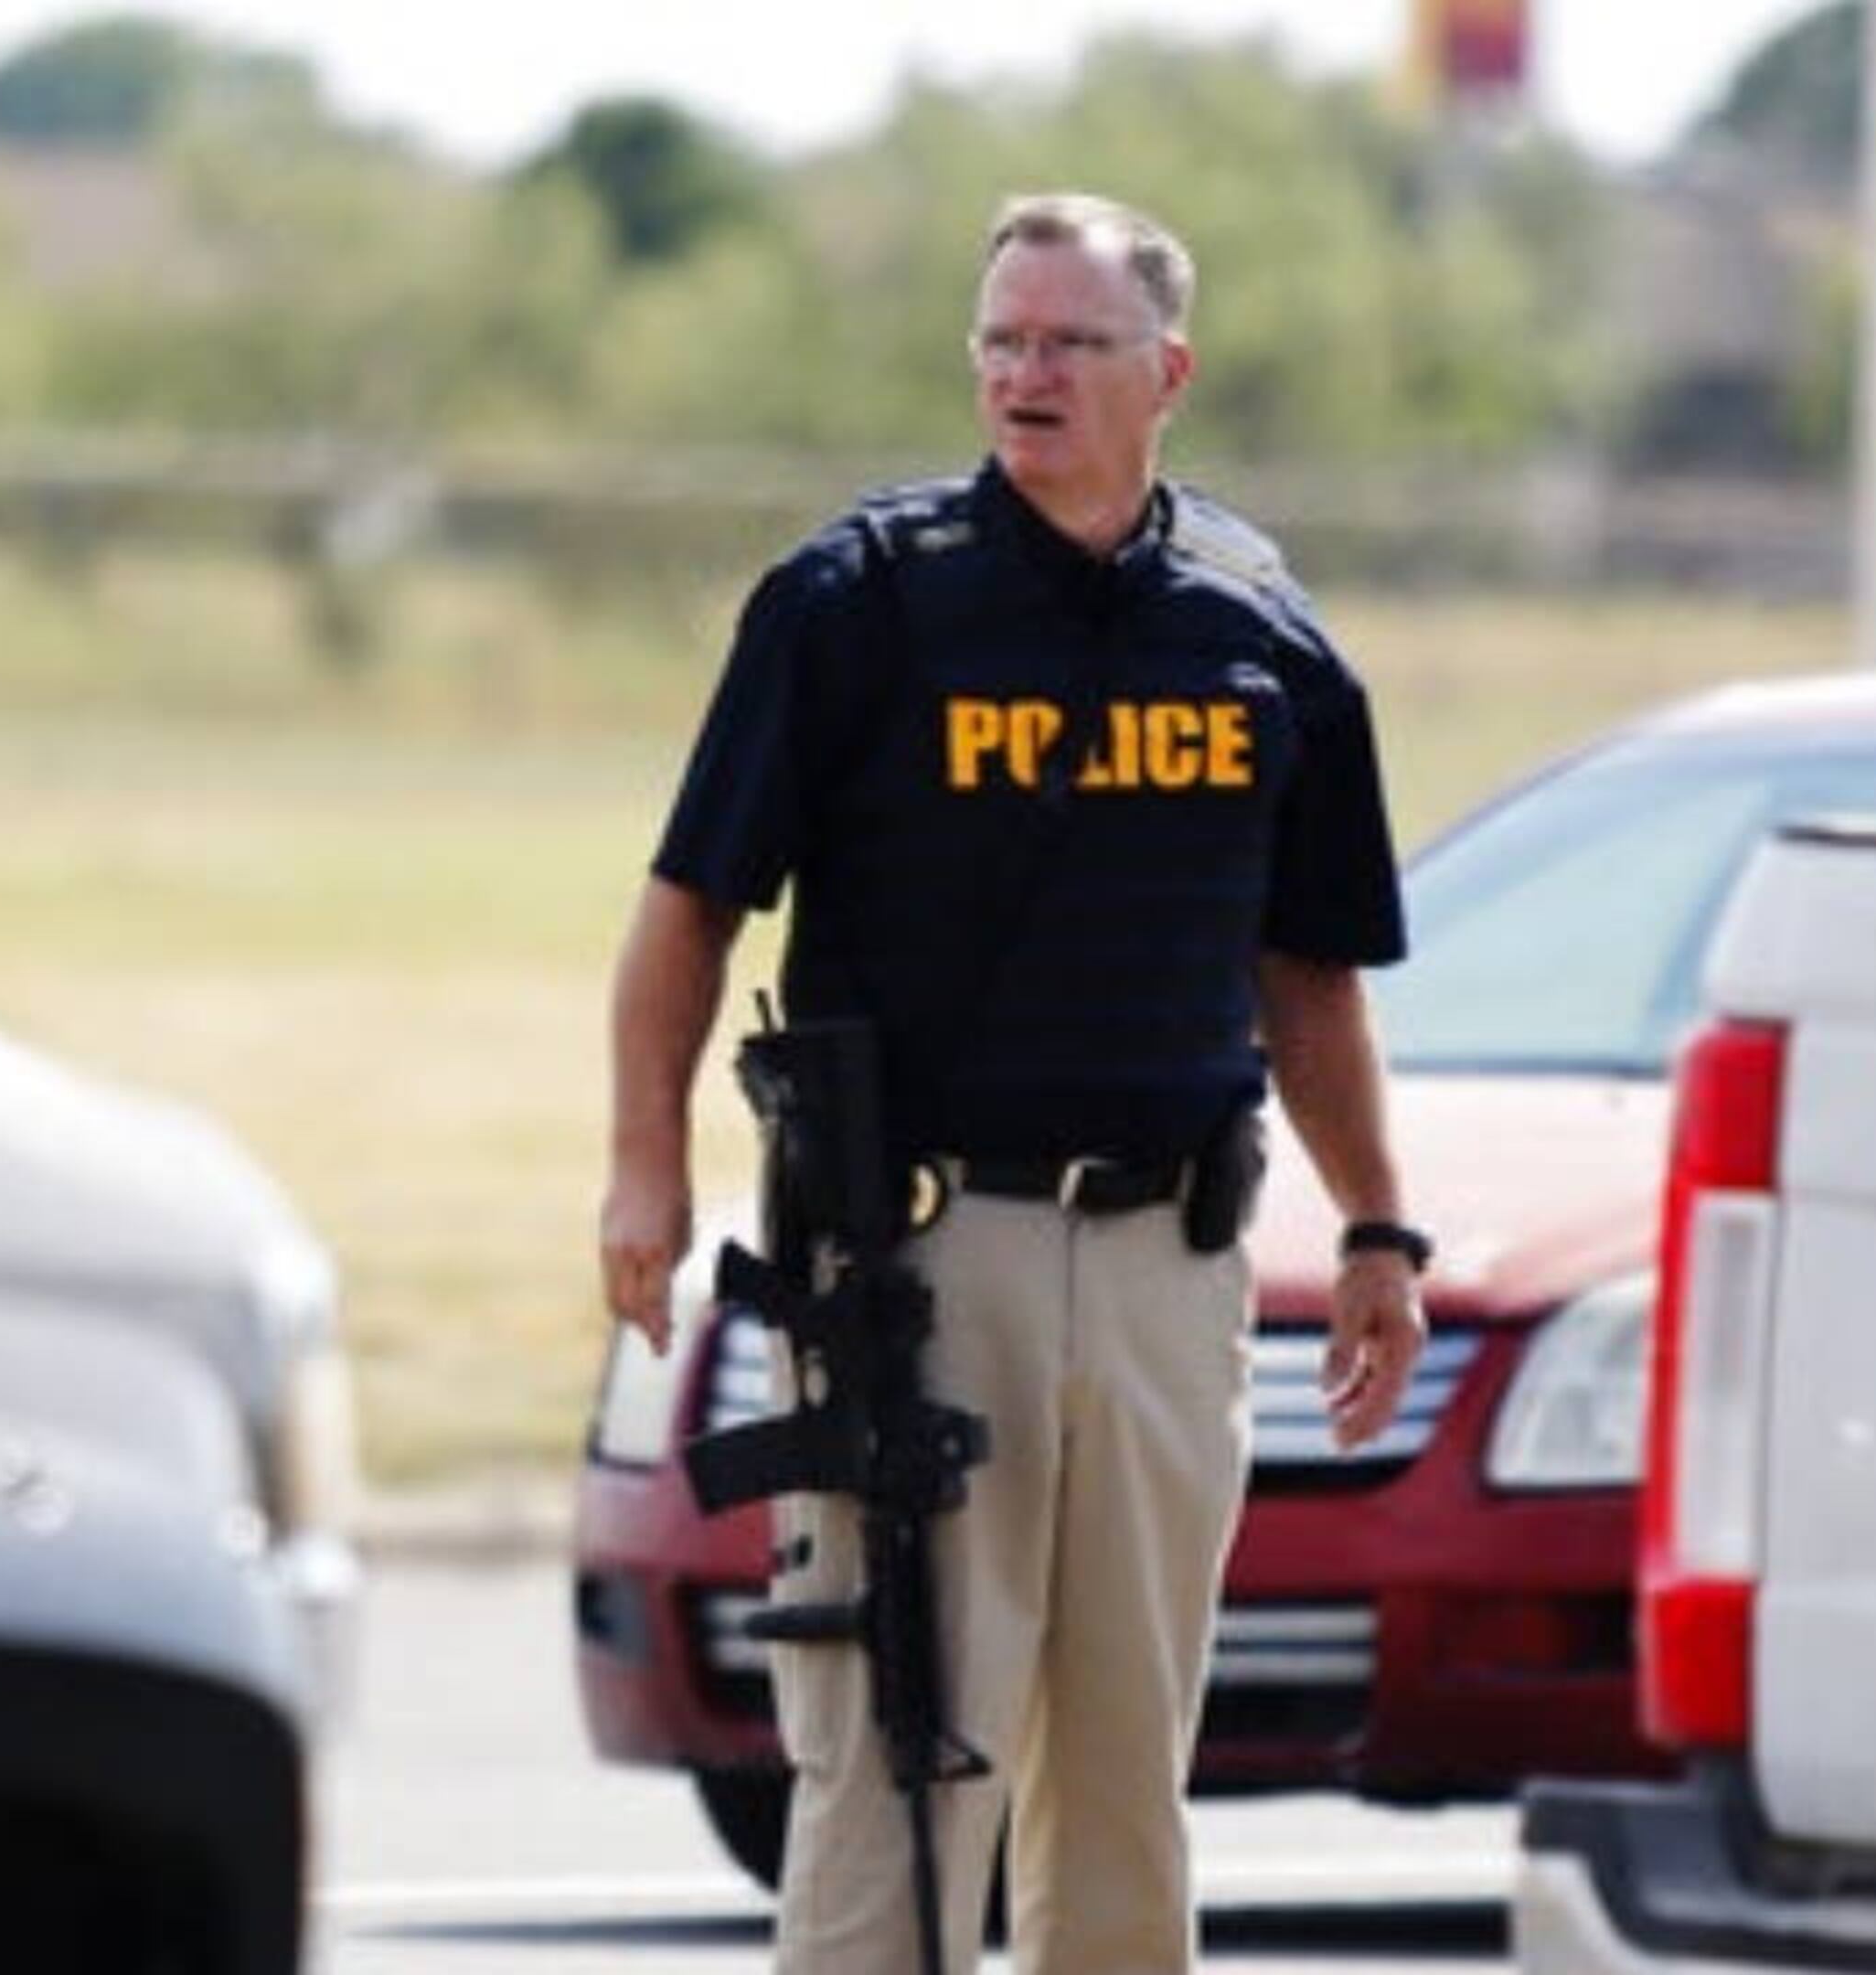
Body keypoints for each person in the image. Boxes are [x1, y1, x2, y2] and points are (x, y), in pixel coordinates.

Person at [599, 189, 1428, 1975]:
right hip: (919, 1262)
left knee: (1127, 1780)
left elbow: (1311, 973)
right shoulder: (858, 605)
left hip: (1166, 1267)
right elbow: (687, 912)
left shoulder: (1261, 632)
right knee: (899, 1762)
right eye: (1001, 341)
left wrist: (1379, 1226)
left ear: (1169, 373)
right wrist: (642, 1169)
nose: (1024, 374)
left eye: (1069, 344)